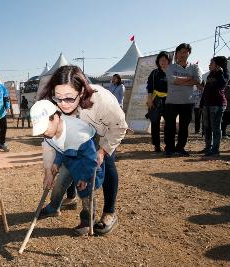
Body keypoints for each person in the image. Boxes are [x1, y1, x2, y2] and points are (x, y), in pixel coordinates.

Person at [38, 65, 127, 235]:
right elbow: (50, 140)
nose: (63, 104)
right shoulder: (53, 104)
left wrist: (102, 151)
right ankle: (62, 202)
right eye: (58, 98)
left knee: (105, 164)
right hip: (76, 135)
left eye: (70, 98)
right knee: (67, 167)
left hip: (104, 132)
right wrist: (49, 169)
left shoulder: (101, 100)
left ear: (81, 91)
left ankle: (109, 213)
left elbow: (119, 127)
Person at [30, 99, 104, 235]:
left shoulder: (79, 135)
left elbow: (91, 158)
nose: (43, 133)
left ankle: (88, 221)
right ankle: (54, 207)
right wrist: (55, 164)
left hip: (86, 164)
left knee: (86, 192)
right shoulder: (51, 133)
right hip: (70, 159)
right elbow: (59, 147)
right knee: (60, 183)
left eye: (44, 128)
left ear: (56, 117)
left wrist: (85, 177)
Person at [164, 43, 202, 157]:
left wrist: (181, 80)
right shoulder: (171, 67)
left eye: (185, 52)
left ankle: (180, 148)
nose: (182, 54)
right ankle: (169, 148)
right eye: (180, 52)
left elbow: (198, 81)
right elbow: (172, 80)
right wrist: (189, 78)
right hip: (172, 101)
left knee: (184, 127)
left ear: (189, 53)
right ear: (177, 53)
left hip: (188, 102)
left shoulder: (195, 67)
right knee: (170, 126)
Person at [200, 56, 229, 156]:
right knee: (207, 127)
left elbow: (222, 85)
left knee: (215, 127)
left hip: (217, 104)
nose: (209, 65)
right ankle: (208, 147)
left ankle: (215, 149)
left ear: (218, 65)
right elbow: (206, 90)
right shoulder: (209, 75)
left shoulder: (224, 74)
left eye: (211, 63)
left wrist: (220, 72)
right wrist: (202, 102)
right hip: (207, 104)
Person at [146, 51, 170, 152]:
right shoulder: (154, 73)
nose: (163, 62)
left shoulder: (171, 72)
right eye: (161, 60)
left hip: (169, 100)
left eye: (165, 60)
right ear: (158, 61)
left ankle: (168, 144)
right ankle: (156, 145)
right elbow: (150, 87)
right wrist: (150, 100)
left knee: (169, 123)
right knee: (155, 123)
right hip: (156, 99)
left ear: (168, 61)